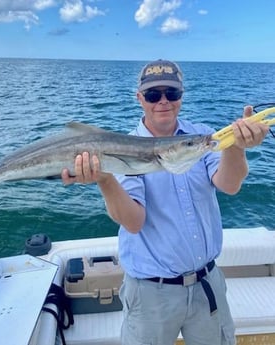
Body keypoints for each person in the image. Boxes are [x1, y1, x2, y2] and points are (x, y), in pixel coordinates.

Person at [61, 59, 269, 345]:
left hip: (207, 283)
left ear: (181, 96)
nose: (163, 102)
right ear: (139, 99)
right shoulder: (123, 148)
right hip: (150, 294)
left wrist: (236, 147)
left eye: (171, 94)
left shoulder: (200, 136)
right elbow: (134, 222)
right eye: (153, 95)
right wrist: (105, 179)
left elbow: (229, 185)